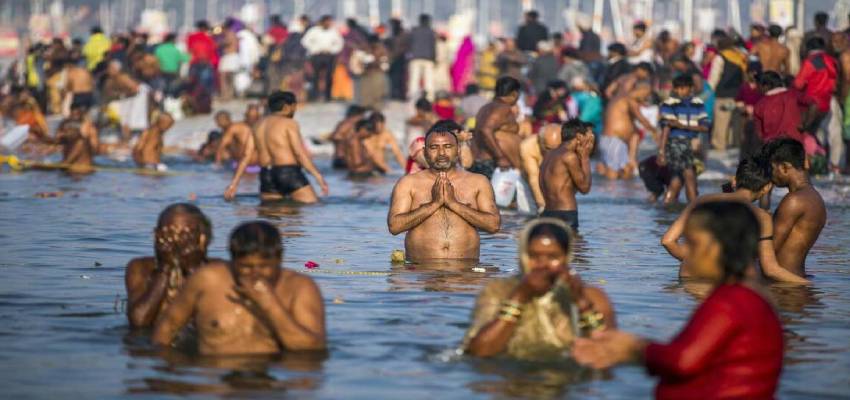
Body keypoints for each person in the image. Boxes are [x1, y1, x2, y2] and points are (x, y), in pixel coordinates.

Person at [574, 201, 784, 400]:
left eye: (692, 244)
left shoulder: (730, 300)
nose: (687, 253)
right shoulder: (756, 295)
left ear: (717, 245)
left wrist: (633, 347)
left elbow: (682, 360)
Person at [152, 221, 326, 354]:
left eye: (265, 266)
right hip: (212, 379)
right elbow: (167, 328)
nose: (255, 275)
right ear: (232, 261)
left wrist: (270, 304)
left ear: (279, 259)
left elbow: (312, 348)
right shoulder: (207, 279)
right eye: (246, 267)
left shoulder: (301, 288)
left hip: (271, 381)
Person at [463, 218, 615, 360]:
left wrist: (581, 302)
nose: (543, 264)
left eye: (553, 257)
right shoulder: (498, 291)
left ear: (567, 257)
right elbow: (478, 352)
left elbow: (609, 353)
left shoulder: (592, 296)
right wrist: (520, 296)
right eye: (534, 256)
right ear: (523, 255)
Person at [662, 159, 810, 284]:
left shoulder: (701, 201)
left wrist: (695, 260)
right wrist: (808, 284)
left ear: (735, 180)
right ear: (766, 188)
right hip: (720, 281)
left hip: (687, 276)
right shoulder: (762, 216)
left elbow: (668, 241)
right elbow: (770, 269)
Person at [387, 122, 500, 261]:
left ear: (458, 150)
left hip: (466, 274)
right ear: (425, 151)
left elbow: (493, 225)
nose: (441, 153)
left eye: (448, 147)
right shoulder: (408, 183)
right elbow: (394, 226)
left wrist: (453, 203)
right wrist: (434, 204)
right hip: (419, 274)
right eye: (434, 147)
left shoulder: (478, 182)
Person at [225, 91, 329, 203]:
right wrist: (318, 177)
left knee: (273, 214)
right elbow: (299, 154)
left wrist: (233, 184)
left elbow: (245, 156)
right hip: (288, 172)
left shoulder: (257, 125)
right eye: (295, 106)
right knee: (313, 206)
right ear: (287, 106)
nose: (295, 110)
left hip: (266, 174)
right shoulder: (289, 123)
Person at [125, 203, 213, 328]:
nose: (177, 241)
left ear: (202, 238)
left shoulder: (217, 269)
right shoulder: (141, 267)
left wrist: (193, 269)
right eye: (169, 234)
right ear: (156, 235)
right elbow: (139, 321)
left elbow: (215, 321)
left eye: (186, 234)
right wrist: (165, 269)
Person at [766, 139, 827, 277]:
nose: (771, 175)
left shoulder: (794, 201)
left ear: (785, 168)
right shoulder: (815, 198)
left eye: (772, 169)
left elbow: (768, 250)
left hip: (782, 284)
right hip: (796, 278)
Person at [657, 75, 709, 204]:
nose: (680, 91)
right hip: (675, 143)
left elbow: (705, 127)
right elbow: (666, 128)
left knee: (678, 179)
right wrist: (661, 151)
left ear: (690, 88)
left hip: (691, 144)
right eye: (677, 89)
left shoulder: (698, 103)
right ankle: (694, 209)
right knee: (690, 176)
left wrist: (683, 126)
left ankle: (666, 205)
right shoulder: (669, 104)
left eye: (683, 88)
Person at [539, 119, 594, 230]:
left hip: (547, 213)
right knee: (574, 247)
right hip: (565, 214)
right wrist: (585, 157)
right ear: (579, 137)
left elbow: (565, 187)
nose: (590, 141)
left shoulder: (549, 154)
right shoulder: (569, 157)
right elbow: (585, 188)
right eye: (588, 137)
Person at [598, 83, 656, 179]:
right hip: (613, 140)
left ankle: (622, 193)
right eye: (647, 94)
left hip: (617, 141)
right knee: (613, 173)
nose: (647, 97)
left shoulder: (623, 100)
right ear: (642, 90)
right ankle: (608, 193)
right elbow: (641, 118)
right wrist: (655, 131)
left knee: (625, 171)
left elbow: (632, 123)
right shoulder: (629, 100)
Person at [469, 76, 522, 179]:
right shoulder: (503, 108)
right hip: (493, 164)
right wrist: (500, 157)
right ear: (515, 93)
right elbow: (485, 129)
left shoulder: (486, 107)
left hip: (485, 161)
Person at [707, 37, 746, 150]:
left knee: (721, 121)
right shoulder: (740, 56)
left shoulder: (720, 57)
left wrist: (710, 90)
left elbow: (714, 76)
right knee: (735, 121)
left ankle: (719, 144)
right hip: (738, 94)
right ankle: (734, 144)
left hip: (722, 94)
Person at [519, 123, 562, 212]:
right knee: (529, 214)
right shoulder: (527, 146)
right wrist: (542, 205)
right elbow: (534, 178)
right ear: (540, 142)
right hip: (527, 181)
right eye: (548, 149)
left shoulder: (568, 146)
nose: (553, 153)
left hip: (551, 179)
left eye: (557, 149)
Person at [302, 15, 344, 102]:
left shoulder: (333, 31)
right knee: (315, 76)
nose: (328, 24)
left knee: (329, 76)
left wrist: (333, 50)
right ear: (322, 22)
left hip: (329, 55)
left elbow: (340, 43)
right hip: (317, 55)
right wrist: (314, 49)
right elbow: (305, 41)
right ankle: (315, 96)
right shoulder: (314, 31)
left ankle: (328, 96)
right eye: (327, 22)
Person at [215, 105, 261, 171]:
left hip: (259, 167)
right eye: (250, 116)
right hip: (238, 165)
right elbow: (221, 147)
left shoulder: (264, 128)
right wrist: (218, 164)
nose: (252, 119)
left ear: (258, 117)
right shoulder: (235, 128)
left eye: (255, 117)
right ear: (245, 115)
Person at [406, 14, 437, 101]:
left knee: (414, 79)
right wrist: (434, 58)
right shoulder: (431, 32)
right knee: (429, 80)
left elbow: (409, 44)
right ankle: (430, 98)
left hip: (415, 57)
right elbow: (433, 46)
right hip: (428, 58)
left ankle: (413, 97)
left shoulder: (414, 31)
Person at [330, 105, 368, 169]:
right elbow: (336, 137)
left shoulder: (355, 125)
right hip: (342, 159)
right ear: (357, 115)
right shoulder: (347, 123)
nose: (363, 117)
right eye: (362, 115)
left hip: (347, 159)